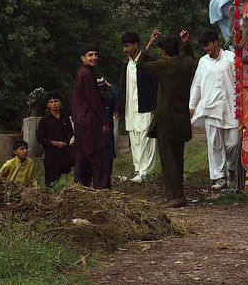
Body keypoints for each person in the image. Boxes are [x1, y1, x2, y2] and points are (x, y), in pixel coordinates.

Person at [136, 30, 197, 208]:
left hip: (165, 119)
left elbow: (140, 64)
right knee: (178, 157)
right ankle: (180, 194)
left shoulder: (164, 65)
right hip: (182, 118)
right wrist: (186, 43)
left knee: (168, 158)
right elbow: (190, 56)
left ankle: (174, 197)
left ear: (164, 53)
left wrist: (149, 44)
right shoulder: (185, 64)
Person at [189, 30, 238, 192]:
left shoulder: (231, 58)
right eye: (203, 47)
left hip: (230, 107)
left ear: (216, 42)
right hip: (210, 107)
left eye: (208, 45)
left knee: (233, 143)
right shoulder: (203, 62)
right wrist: (192, 106)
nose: (206, 49)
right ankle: (219, 177)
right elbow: (197, 84)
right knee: (214, 144)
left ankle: (232, 170)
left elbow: (239, 80)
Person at [116, 32, 159, 183]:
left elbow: (155, 86)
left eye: (127, 46)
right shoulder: (125, 64)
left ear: (135, 45)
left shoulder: (148, 62)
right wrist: (118, 107)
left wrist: (155, 106)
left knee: (146, 138)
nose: (125, 49)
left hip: (146, 106)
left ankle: (146, 171)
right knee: (134, 137)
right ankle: (137, 169)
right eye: (124, 46)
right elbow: (122, 87)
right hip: (130, 108)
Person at [71, 43, 112, 189]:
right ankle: (101, 189)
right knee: (99, 155)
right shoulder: (87, 74)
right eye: (90, 55)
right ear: (83, 58)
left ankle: (81, 186)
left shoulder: (83, 72)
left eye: (95, 54)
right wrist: (104, 122)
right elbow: (94, 100)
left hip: (81, 120)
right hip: (89, 120)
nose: (94, 58)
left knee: (84, 155)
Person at [36, 92, 74, 188]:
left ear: (60, 102)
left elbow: (70, 133)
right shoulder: (44, 120)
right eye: (51, 102)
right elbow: (40, 138)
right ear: (48, 105)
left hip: (65, 150)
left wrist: (66, 143)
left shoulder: (65, 117)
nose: (54, 104)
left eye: (56, 101)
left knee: (80, 161)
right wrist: (54, 143)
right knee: (51, 182)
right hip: (51, 153)